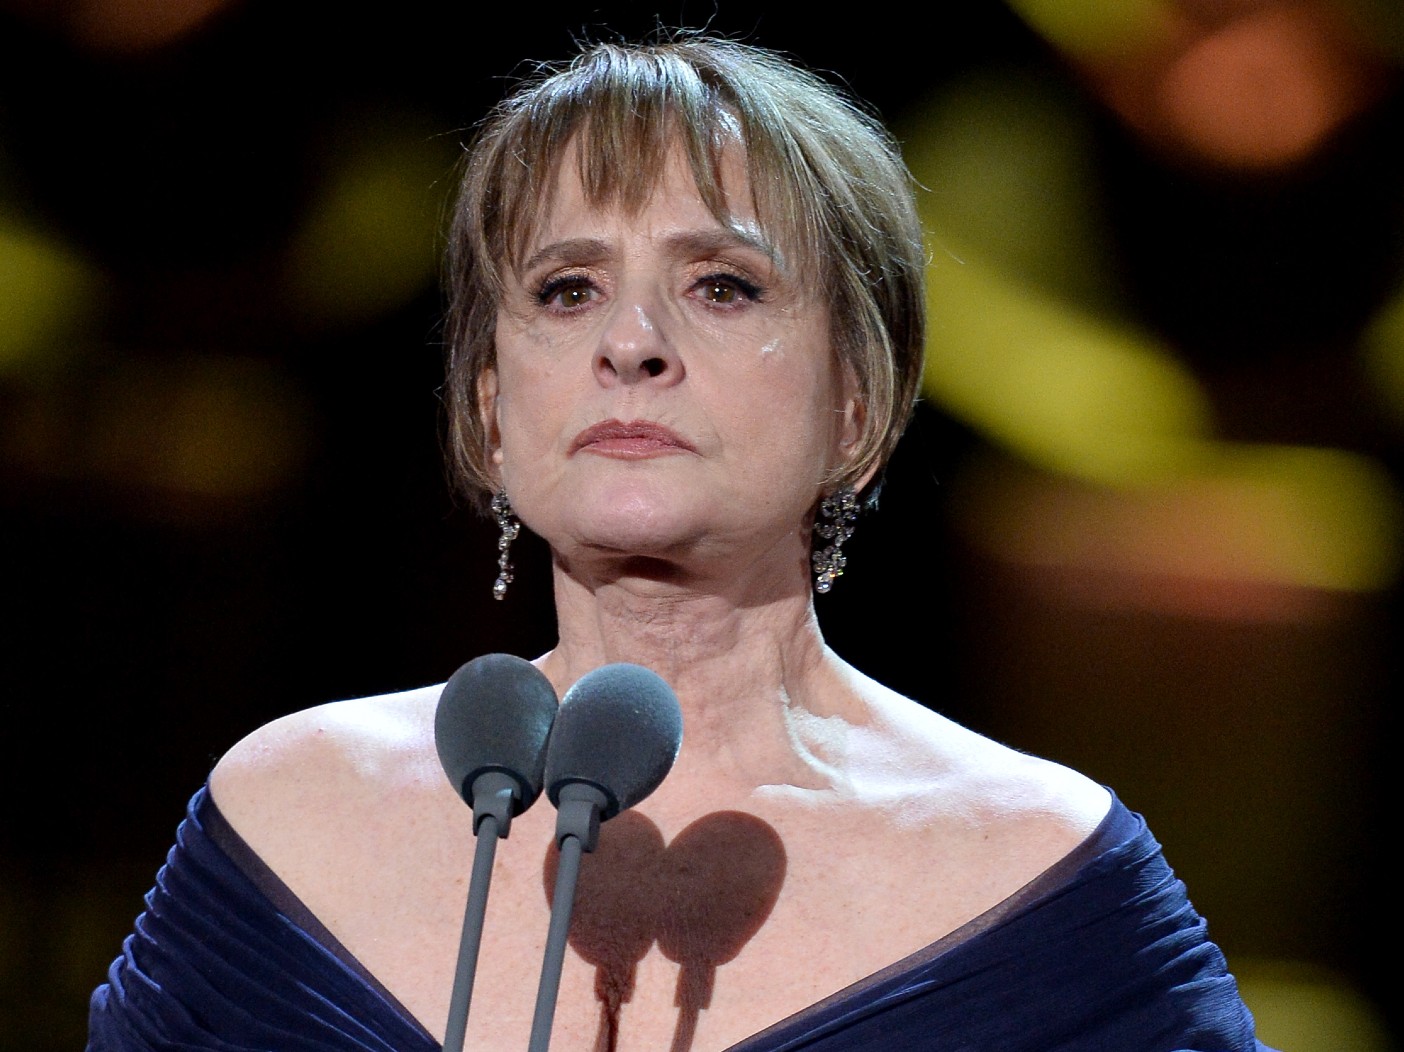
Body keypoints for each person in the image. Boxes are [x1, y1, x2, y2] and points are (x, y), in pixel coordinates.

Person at [86, 33, 1274, 1052]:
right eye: (566, 290)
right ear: (492, 412)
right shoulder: (285, 821)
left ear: (859, 400)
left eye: (721, 284)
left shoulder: (1046, 879)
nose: (631, 344)